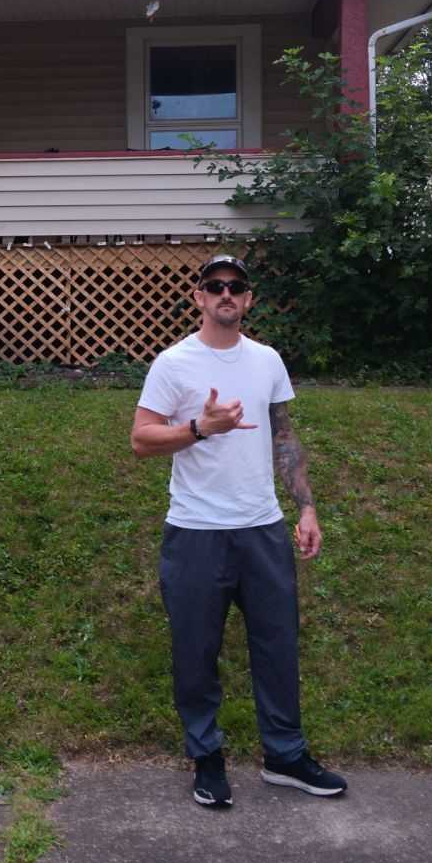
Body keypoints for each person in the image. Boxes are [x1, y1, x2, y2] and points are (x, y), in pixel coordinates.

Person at [130, 253, 348, 808]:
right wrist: (201, 427)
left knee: (277, 648)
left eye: (236, 287)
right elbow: (141, 439)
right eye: (215, 285)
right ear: (198, 297)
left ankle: (286, 756)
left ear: (248, 300)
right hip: (197, 532)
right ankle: (207, 758)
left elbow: (283, 436)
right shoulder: (173, 363)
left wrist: (306, 508)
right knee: (196, 653)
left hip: (263, 530)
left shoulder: (267, 360)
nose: (226, 294)